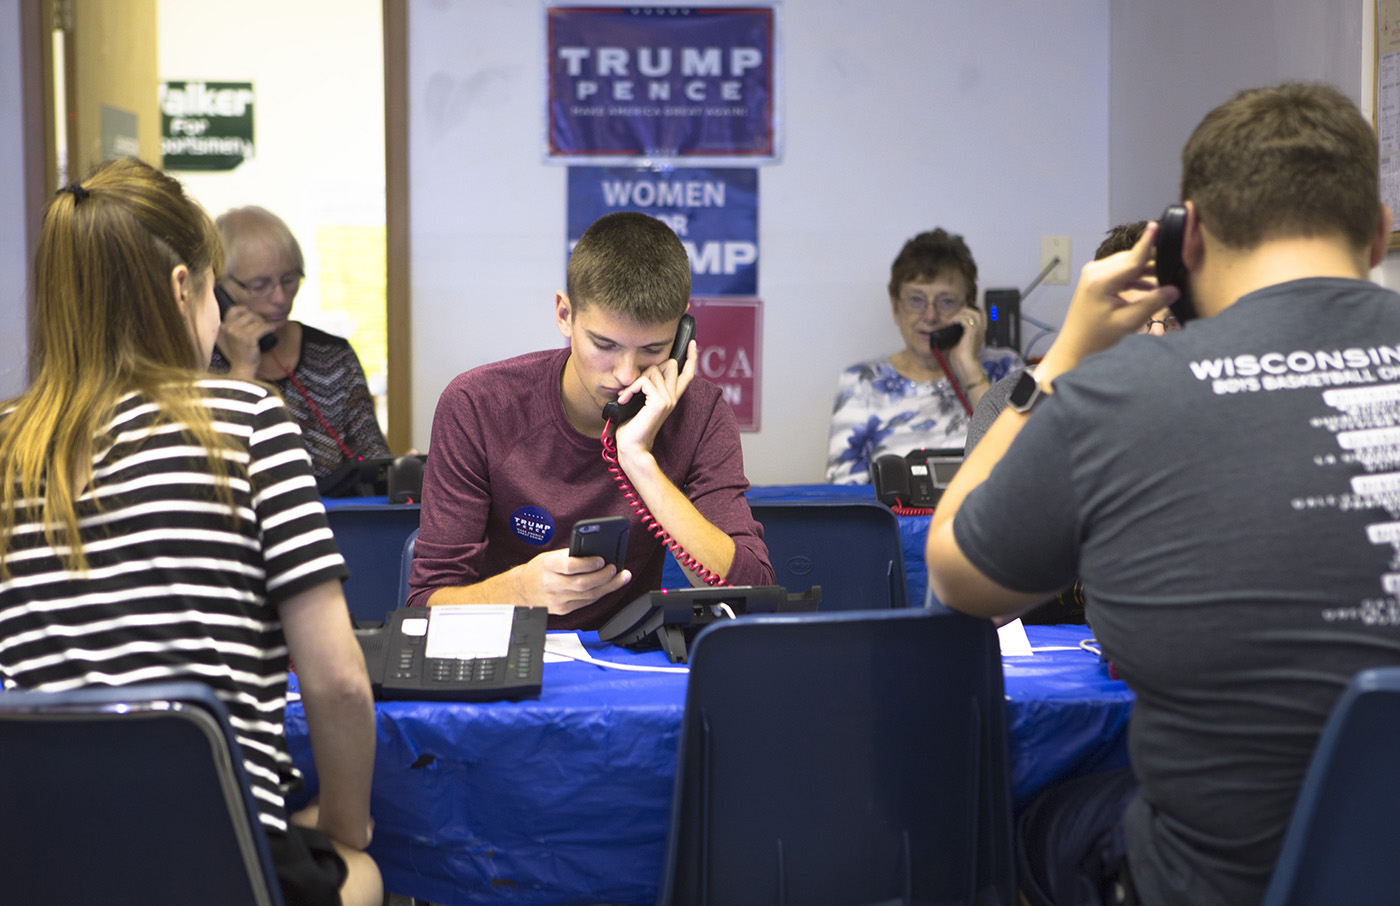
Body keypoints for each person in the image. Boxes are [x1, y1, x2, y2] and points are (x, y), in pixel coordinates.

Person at [926, 81, 1400, 906]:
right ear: (1381, 233)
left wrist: (1063, 354)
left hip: (1220, 885)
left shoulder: (1124, 397)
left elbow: (956, 576)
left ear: (1193, 240)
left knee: (1029, 821)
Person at [0, 159, 381, 906]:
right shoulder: (247, 424)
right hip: (216, 856)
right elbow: (338, 683)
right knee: (359, 867)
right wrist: (344, 824)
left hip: (40, 853)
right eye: (216, 289)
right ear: (184, 289)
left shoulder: (10, 445)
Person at [407, 211, 773, 630]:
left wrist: (638, 460)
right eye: (604, 344)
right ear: (565, 314)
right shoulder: (477, 405)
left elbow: (751, 597)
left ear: (682, 333)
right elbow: (424, 608)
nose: (625, 373)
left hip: (630, 657)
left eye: (653, 349)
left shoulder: (700, 413)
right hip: (506, 647)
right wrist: (522, 591)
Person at [826, 228, 1023, 484]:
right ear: (896, 306)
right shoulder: (861, 381)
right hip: (896, 524)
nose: (930, 316)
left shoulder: (1005, 369)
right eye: (916, 300)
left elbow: (1026, 466)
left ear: (970, 308)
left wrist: (969, 369)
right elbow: (843, 490)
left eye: (946, 302)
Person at [211, 205, 390, 486]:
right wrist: (243, 369)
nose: (281, 298)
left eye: (289, 280)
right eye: (260, 285)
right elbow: (210, 469)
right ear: (220, 288)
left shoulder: (334, 356)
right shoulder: (198, 360)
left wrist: (398, 471)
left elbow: (371, 457)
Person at [965, 221, 1164, 455]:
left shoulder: (1210, 394)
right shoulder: (1013, 401)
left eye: (1174, 321)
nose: (1158, 334)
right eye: (1138, 316)